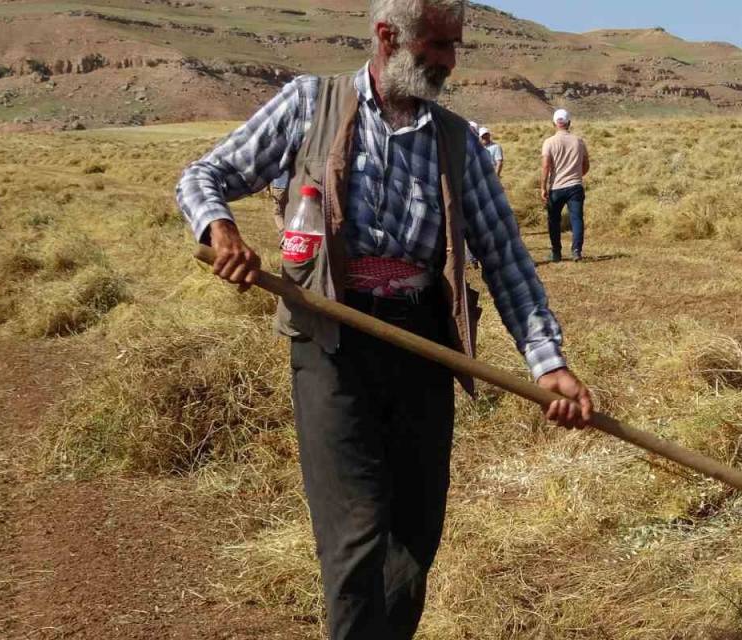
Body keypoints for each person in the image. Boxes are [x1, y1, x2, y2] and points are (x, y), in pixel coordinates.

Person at [174, 1, 594, 638]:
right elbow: (203, 175)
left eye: (455, 48)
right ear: (387, 36)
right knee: (356, 536)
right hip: (331, 341)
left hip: (424, 346)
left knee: (414, 537)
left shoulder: (457, 143)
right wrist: (221, 227)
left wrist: (550, 363)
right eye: (435, 46)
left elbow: (507, 258)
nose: (448, 61)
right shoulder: (308, 106)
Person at [541, 108, 589, 262]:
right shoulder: (579, 141)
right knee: (576, 219)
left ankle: (556, 252)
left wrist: (543, 187)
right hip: (575, 186)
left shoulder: (549, 142)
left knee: (554, 220)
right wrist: (577, 175)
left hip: (556, 187)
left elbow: (546, 166)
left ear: (554, 123)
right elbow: (586, 164)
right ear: (569, 123)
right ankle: (576, 251)